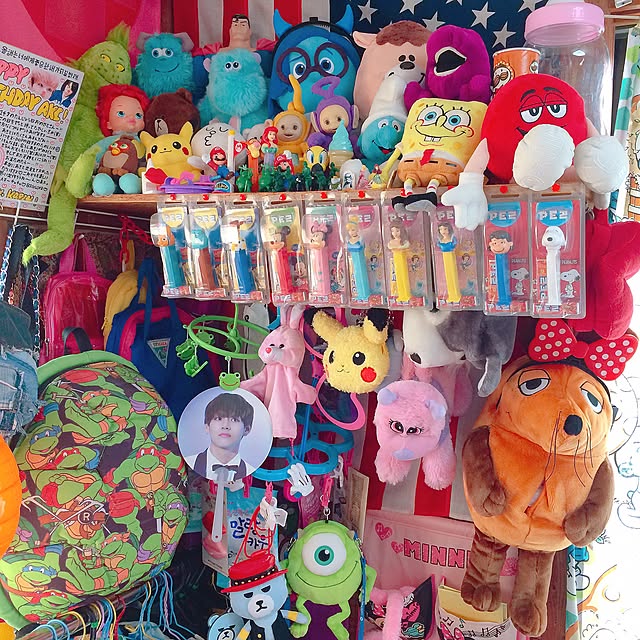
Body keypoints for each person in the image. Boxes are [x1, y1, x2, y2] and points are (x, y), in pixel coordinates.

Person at [186, 393, 256, 481]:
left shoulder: (251, 471)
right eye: (218, 418)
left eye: (234, 420)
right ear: (207, 426)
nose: (225, 426)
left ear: (246, 429)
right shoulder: (189, 463)